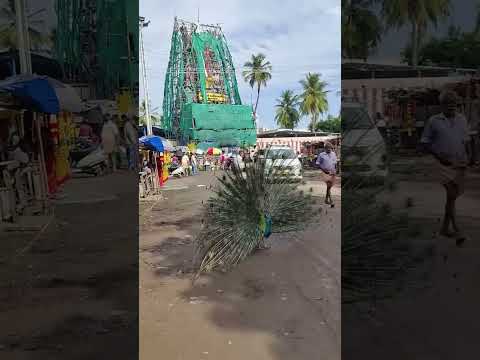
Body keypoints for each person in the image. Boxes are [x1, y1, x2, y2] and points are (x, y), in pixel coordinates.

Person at [420, 90, 469, 246]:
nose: (451, 107)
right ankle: (457, 229)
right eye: (448, 104)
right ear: (442, 106)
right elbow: (424, 143)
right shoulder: (433, 121)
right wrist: (439, 157)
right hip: (442, 164)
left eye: (454, 104)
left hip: (459, 163)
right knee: (452, 193)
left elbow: (466, 141)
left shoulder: (462, 119)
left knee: (452, 197)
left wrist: (470, 158)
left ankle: (444, 228)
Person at [316, 142, 337, 207]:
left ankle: (326, 199)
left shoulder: (333, 154)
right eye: (328, 148)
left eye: (331, 148)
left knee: (329, 186)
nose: (329, 150)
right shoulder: (321, 155)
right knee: (328, 184)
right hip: (325, 172)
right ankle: (331, 201)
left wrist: (335, 170)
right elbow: (317, 164)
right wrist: (323, 170)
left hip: (332, 172)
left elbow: (335, 163)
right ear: (325, 148)